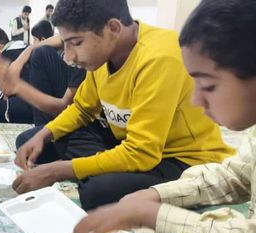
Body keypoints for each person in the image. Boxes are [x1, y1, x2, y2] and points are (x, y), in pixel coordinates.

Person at [72, 1, 256, 233]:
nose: (198, 101)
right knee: (171, 225)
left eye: (209, 86)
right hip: (162, 163)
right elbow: (235, 175)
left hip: (178, 158)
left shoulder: (156, 57)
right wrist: (153, 196)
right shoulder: (101, 67)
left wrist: (150, 215)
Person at [13, 0, 235, 211]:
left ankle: (104, 169)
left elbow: (142, 153)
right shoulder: (101, 59)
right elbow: (82, 109)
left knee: (96, 193)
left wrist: (58, 170)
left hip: (179, 159)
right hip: (127, 141)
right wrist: (44, 134)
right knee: (30, 140)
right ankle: (105, 166)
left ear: (113, 28)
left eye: (76, 43)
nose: (68, 57)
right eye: (65, 44)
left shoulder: (158, 58)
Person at [0, 19, 86, 130]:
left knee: (41, 53)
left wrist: (17, 86)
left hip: (63, 110)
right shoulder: (69, 44)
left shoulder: (86, 62)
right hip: (51, 103)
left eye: (35, 39)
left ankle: (43, 129)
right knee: (24, 139)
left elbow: (64, 106)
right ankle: (42, 129)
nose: (69, 56)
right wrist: (21, 60)